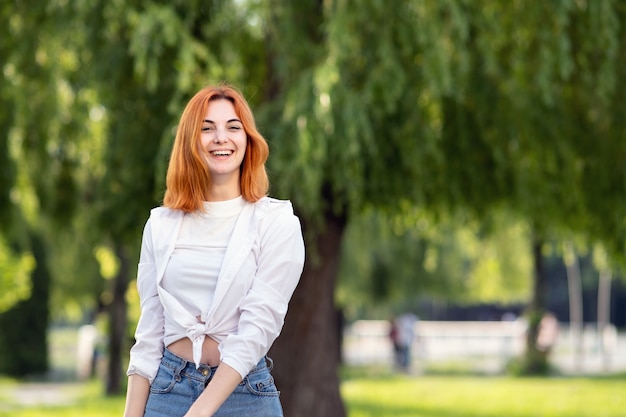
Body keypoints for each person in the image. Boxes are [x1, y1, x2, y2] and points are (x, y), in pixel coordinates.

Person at [122, 84, 305, 417]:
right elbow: (149, 334)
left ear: (248, 140)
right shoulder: (160, 224)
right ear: (191, 142)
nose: (221, 137)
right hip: (167, 391)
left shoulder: (277, 222)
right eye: (207, 128)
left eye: (233, 127)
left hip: (245, 394)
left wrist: (199, 412)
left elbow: (258, 328)